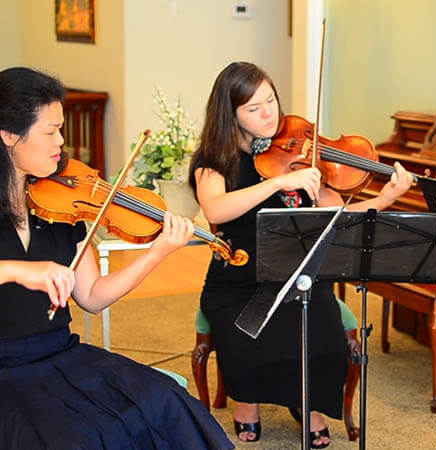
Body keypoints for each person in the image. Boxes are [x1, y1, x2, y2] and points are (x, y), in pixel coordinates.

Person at [0, 67, 233, 448]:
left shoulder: (58, 205)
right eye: (49, 131)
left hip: (60, 353)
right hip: (7, 372)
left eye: (60, 128)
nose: (62, 141)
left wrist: (158, 252)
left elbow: (93, 296)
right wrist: (18, 271)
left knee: (166, 404)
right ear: (9, 134)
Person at [189, 61, 413, 446]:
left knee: (325, 343)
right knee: (247, 341)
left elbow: (338, 217)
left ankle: (307, 404)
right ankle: (247, 403)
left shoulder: (303, 159)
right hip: (239, 278)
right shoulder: (215, 162)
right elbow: (216, 210)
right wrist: (279, 181)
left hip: (298, 274)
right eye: (253, 107)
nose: (269, 113)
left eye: (271, 100)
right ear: (231, 114)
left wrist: (385, 197)